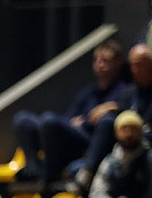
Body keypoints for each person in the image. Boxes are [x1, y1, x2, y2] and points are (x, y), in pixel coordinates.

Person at [13, 41, 129, 184]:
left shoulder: (124, 92)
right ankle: (33, 169)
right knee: (23, 120)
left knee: (49, 120)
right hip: (71, 136)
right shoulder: (88, 92)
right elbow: (70, 119)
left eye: (105, 60)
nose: (99, 64)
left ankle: (50, 174)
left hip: (88, 145)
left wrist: (93, 117)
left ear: (117, 63)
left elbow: (107, 123)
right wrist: (86, 120)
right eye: (96, 60)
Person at [70, 45, 152, 192]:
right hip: (122, 143)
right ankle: (86, 171)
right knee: (72, 169)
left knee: (108, 121)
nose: (135, 69)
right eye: (133, 65)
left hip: (147, 141)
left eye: (140, 64)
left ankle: (88, 173)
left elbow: (149, 125)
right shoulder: (130, 92)